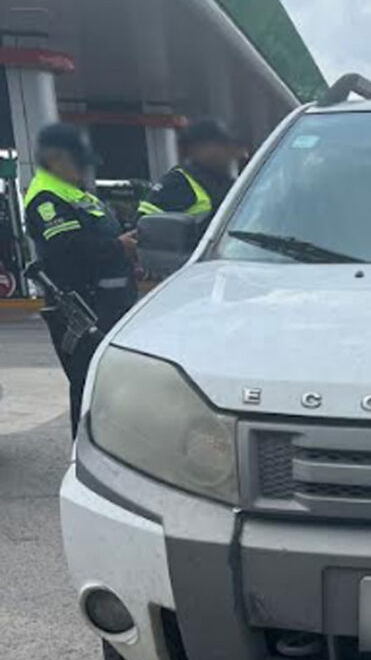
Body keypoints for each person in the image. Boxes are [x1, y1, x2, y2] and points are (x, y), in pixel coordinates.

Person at [23, 123, 138, 437]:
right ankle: (84, 455)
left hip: (111, 307)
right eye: (79, 163)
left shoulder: (77, 194)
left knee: (113, 388)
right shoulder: (46, 198)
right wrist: (118, 247)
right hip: (80, 310)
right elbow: (67, 249)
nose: (84, 170)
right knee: (89, 386)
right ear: (56, 158)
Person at [137, 118, 236, 225]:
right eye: (216, 145)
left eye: (226, 145)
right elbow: (145, 226)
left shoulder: (232, 184)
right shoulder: (178, 182)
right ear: (195, 148)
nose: (224, 151)